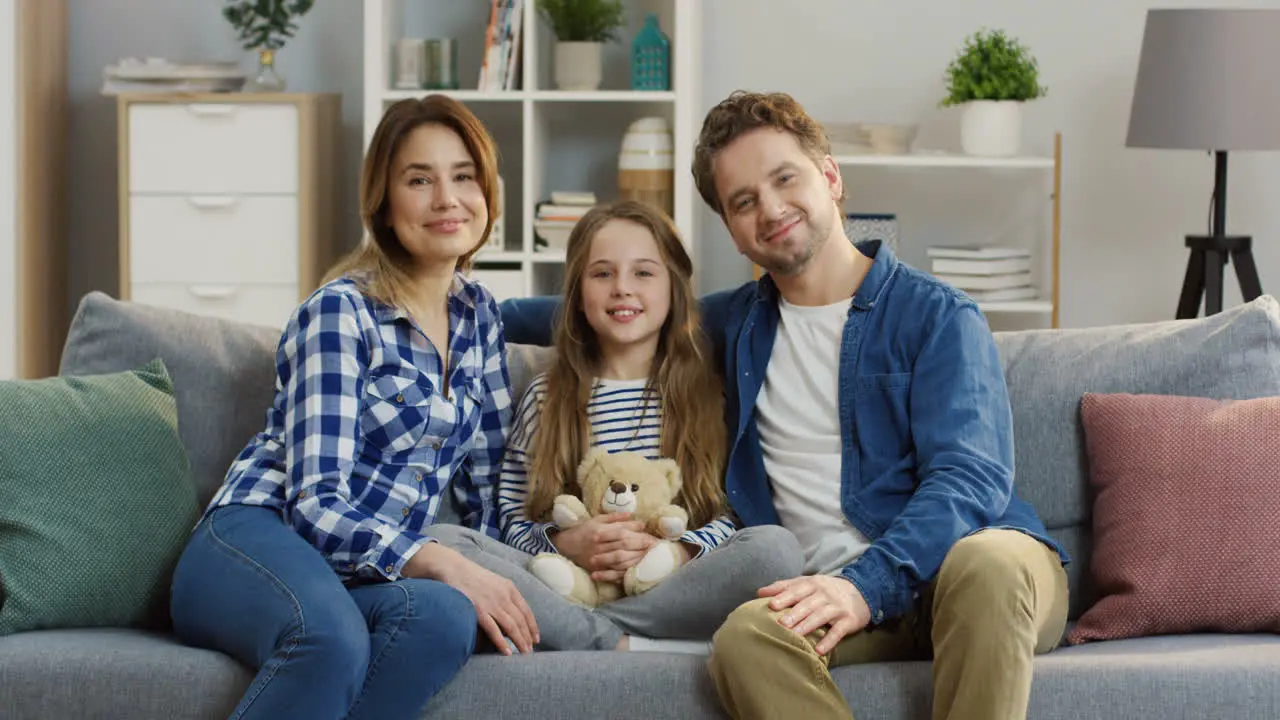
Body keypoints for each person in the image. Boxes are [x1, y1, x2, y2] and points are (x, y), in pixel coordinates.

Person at [498, 90, 1072, 720]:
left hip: (966, 576)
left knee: (986, 563)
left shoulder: (936, 315)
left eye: (784, 179)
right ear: (732, 230)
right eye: (744, 201)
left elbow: (970, 479)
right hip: (821, 598)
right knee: (746, 638)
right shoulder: (728, 324)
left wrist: (863, 586)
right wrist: (458, 311)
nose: (769, 209)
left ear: (830, 177)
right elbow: (607, 307)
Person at [168, 94, 539, 720]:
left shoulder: (481, 322)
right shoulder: (340, 312)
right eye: (419, 180)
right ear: (385, 205)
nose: (447, 199)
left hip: (360, 577)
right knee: (329, 639)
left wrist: (555, 557)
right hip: (258, 538)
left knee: (444, 616)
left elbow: (490, 499)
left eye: (464, 176)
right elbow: (314, 504)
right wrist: (436, 558)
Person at [432, 199, 804, 651]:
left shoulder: (708, 394)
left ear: (675, 288)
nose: (622, 289)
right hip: (568, 583)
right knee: (443, 543)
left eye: (644, 273)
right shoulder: (546, 395)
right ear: (577, 293)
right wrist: (567, 543)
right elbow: (511, 516)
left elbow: (729, 512)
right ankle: (619, 638)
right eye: (602, 273)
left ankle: (590, 632)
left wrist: (674, 552)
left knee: (776, 549)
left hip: (670, 587)